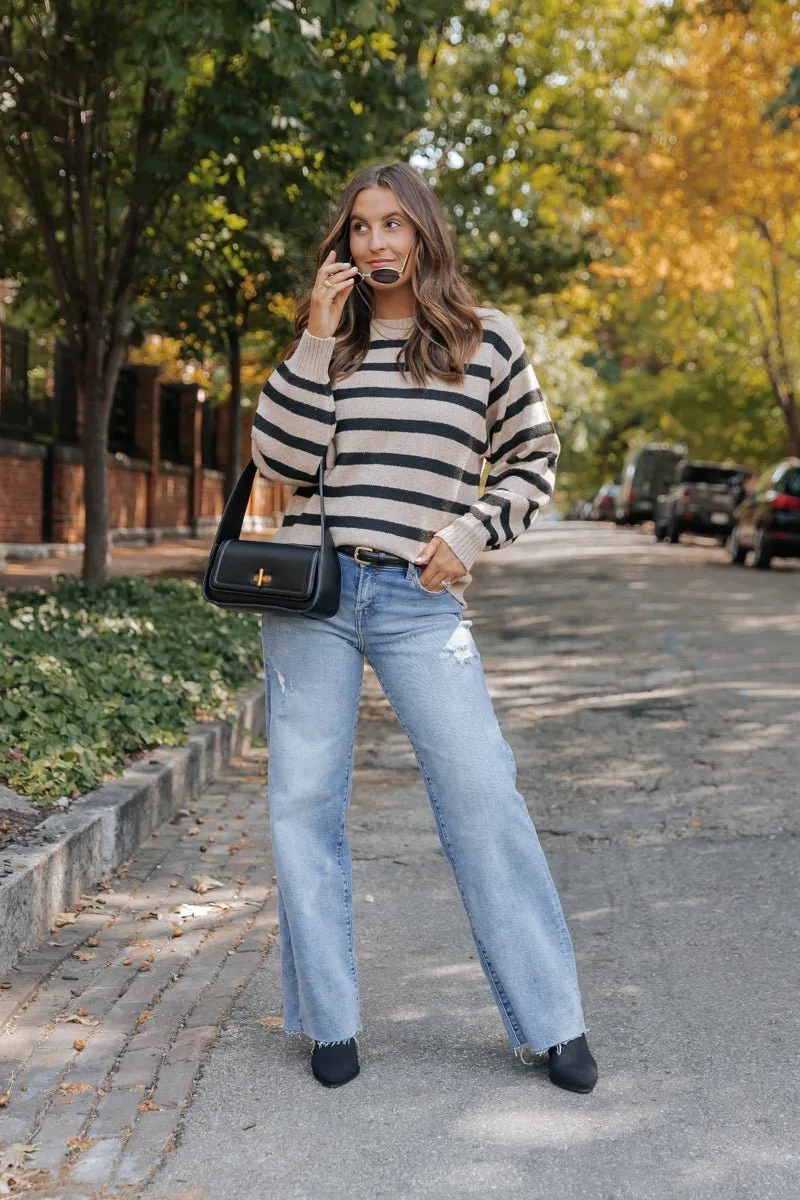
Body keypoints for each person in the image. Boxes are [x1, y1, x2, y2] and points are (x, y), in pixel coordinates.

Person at [251, 161, 598, 1093]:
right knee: (304, 805)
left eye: (394, 225)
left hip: (418, 599)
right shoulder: (323, 342)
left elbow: (534, 460)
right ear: (343, 242)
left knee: (483, 790)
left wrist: (471, 530)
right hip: (314, 598)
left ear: (425, 233)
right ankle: (329, 1021)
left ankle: (550, 1019)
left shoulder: (485, 340)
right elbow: (276, 462)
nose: (377, 244)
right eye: (360, 228)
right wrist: (316, 341)